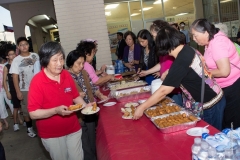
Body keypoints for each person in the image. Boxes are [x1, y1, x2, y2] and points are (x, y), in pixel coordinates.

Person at [134, 26, 226, 130]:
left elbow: (164, 91)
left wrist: (142, 107)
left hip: (209, 104)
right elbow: (189, 69)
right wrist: (170, 71)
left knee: (210, 137)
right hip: (214, 96)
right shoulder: (186, 49)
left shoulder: (181, 60)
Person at [28, 42, 89, 160]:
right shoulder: (37, 81)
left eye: (61, 59)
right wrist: (56, 110)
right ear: (45, 61)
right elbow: (33, 113)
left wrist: (86, 106)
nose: (60, 63)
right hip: (52, 135)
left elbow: (75, 96)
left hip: (73, 128)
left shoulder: (66, 74)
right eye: (55, 60)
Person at [191, 18, 240, 129]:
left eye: (195, 35)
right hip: (224, 87)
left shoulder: (218, 43)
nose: (194, 39)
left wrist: (204, 74)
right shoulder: (210, 41)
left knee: (231, 124)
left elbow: (224, 71)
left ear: (206, 32)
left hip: (233, 87)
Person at [66, 50, 107, 160]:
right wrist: (75, 96)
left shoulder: (84, 73)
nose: (81, 66)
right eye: (78, 63)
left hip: (90, 112)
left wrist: (100, 94)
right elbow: (63, 97)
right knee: (84, 143)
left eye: (83, 63)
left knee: (93, 139)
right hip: (77, 116)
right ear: (71, 63)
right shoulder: (65, 77)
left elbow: (93, 88)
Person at [139, 20, 183, 105]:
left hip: (174, 90)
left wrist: (168, 72)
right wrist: (147, 72)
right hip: (164, 86)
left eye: (155, 36)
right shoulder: (162, 47)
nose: (154, 39)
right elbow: (162, 63)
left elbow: (179, 65)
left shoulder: (173, 47)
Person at [9, 37, 38, 137]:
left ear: (28, 45)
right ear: (18, 47)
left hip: (38, 88)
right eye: (21, 45)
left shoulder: (35, 56)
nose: (24, 46)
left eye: (25, 44)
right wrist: (18, 91)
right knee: (26, 110)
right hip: (25, 89)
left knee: (39, 107)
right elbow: (15, 77)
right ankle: (29, 129)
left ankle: (40, 126)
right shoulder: (16, 60)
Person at [3, 49, 23, 131]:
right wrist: (7, 92)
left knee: (23, 106)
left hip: (22, 87)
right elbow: (4, 81)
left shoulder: (19, 64)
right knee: (16, 107)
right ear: (7, 56)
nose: (12, 55)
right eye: (10, 54)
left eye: (13, 54)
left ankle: (26, 121)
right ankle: (15, 123)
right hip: (13, 89)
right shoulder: (6, 67)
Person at [0, 57, 9, 130]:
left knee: (11, 104)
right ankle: (6, 122)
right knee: (1, 107)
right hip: (2, 90)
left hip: (6, 88)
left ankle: (17, 118)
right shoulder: (4, 66)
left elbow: (8, 78)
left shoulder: (3, 67)